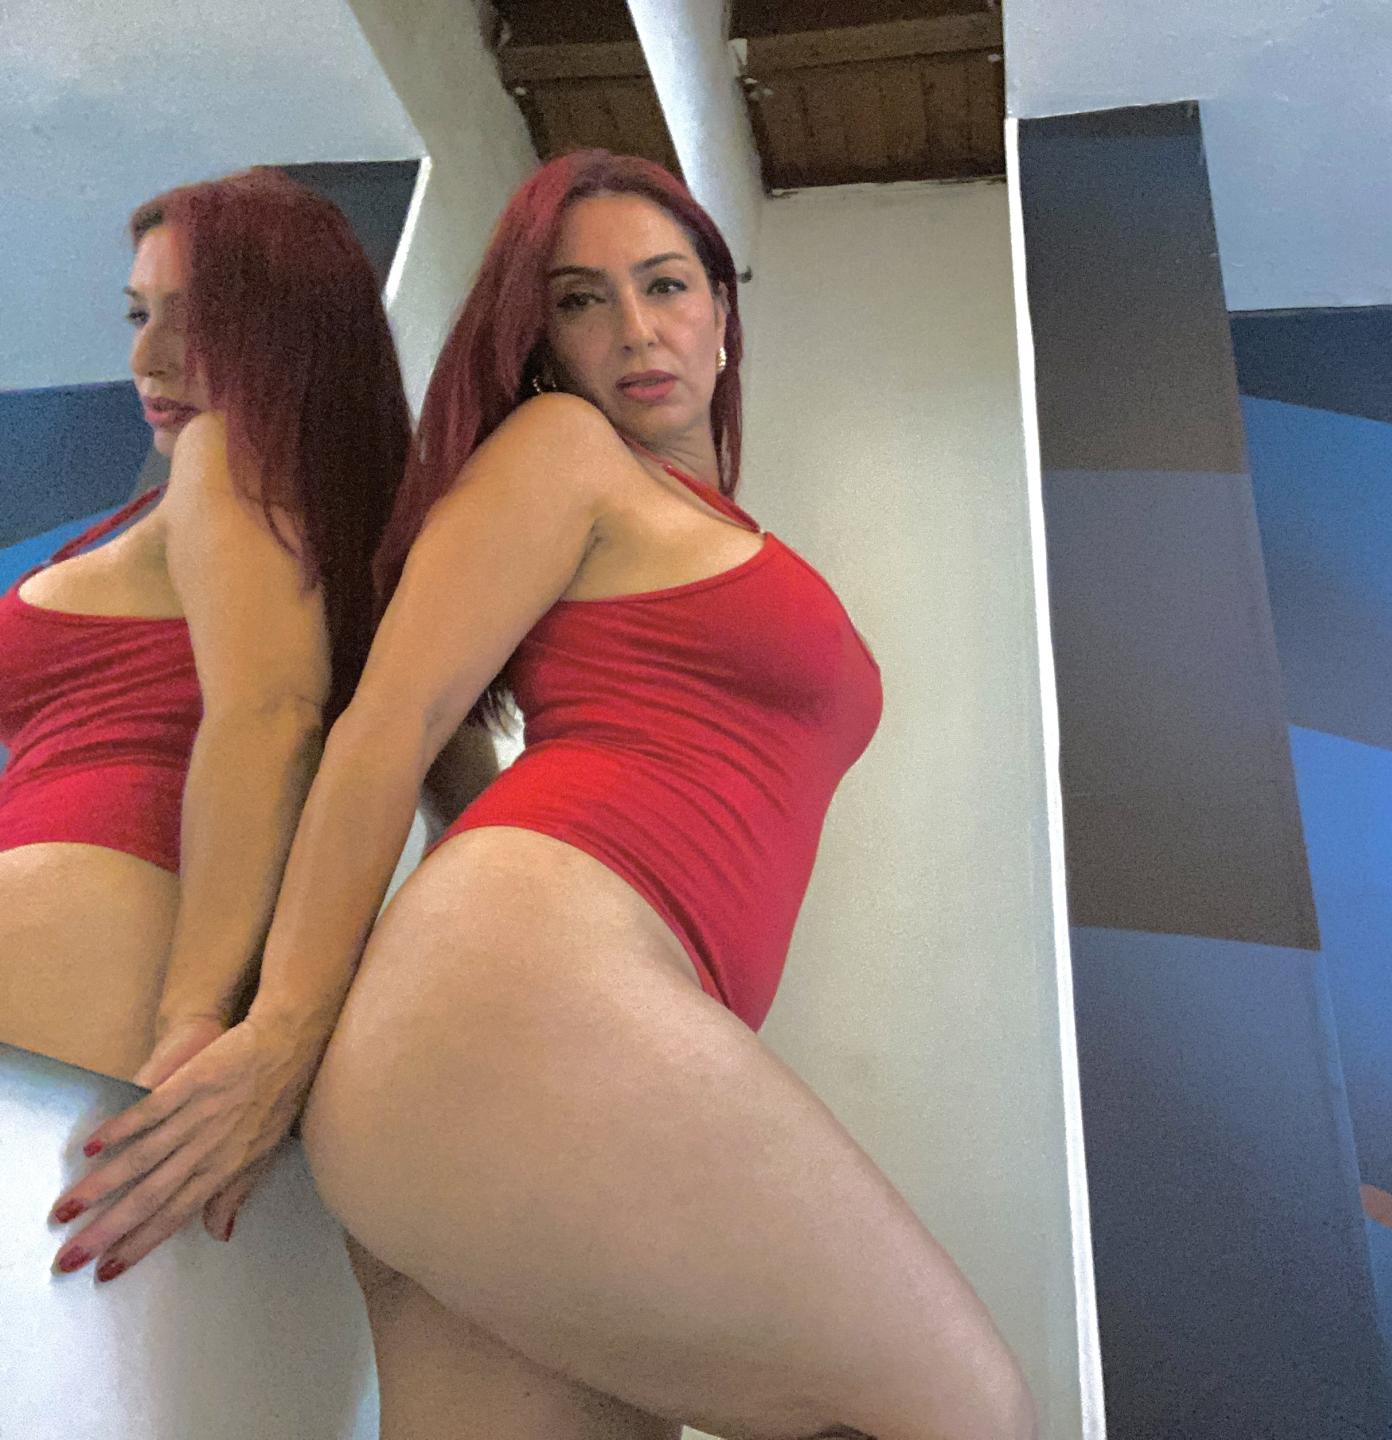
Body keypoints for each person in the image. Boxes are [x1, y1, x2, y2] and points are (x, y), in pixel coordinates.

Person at [51, 151, 1037, 1439]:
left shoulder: (679, 512)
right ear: (539, 338)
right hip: (523, 994)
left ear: (723, 312)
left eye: (665, 285)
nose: (634, 328)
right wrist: (275, 1031)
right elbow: (385, 725)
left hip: (524, 1041)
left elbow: (450, 759)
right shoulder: (562, 449)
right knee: (963, 1411)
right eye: (580, 299)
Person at [0, 167, 420, 1089]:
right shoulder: (350, 518)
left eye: (195, 321)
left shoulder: (220, 455)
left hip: (89, 904)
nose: (148, 358)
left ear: (294, 331)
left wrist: (193, 1015)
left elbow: (271, 714)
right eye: (138, 314)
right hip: (109, 923)